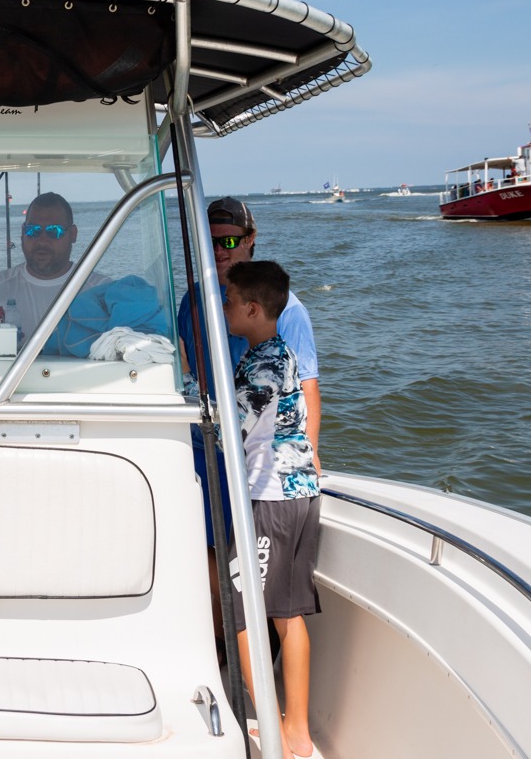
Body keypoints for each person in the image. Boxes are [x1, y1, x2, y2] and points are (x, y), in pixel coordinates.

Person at [221, 261, 320, 759]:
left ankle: (273, 730)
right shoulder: (284, 354)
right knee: (290, 614)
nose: (225, 308)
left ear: (252, 309)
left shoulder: (259, 366)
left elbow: (230, 428)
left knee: (243, 610)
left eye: (230, 301)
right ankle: (298, 731)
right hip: (303, 495)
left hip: (270, 499)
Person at [177, 197, 321, 472]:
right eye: (210, 242)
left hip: (256, 454)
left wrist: (311, 454)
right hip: (200, 443)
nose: (218, 250)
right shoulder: (192, 299)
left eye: (228, 241)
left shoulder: (287, 309)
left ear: (250, 238)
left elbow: (307, 386)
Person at [0, 192, 108, 335]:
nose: (42, 241)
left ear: (73, 234)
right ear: (23, 232)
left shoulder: (102, 291)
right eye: (33, 231)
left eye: (54, 231)